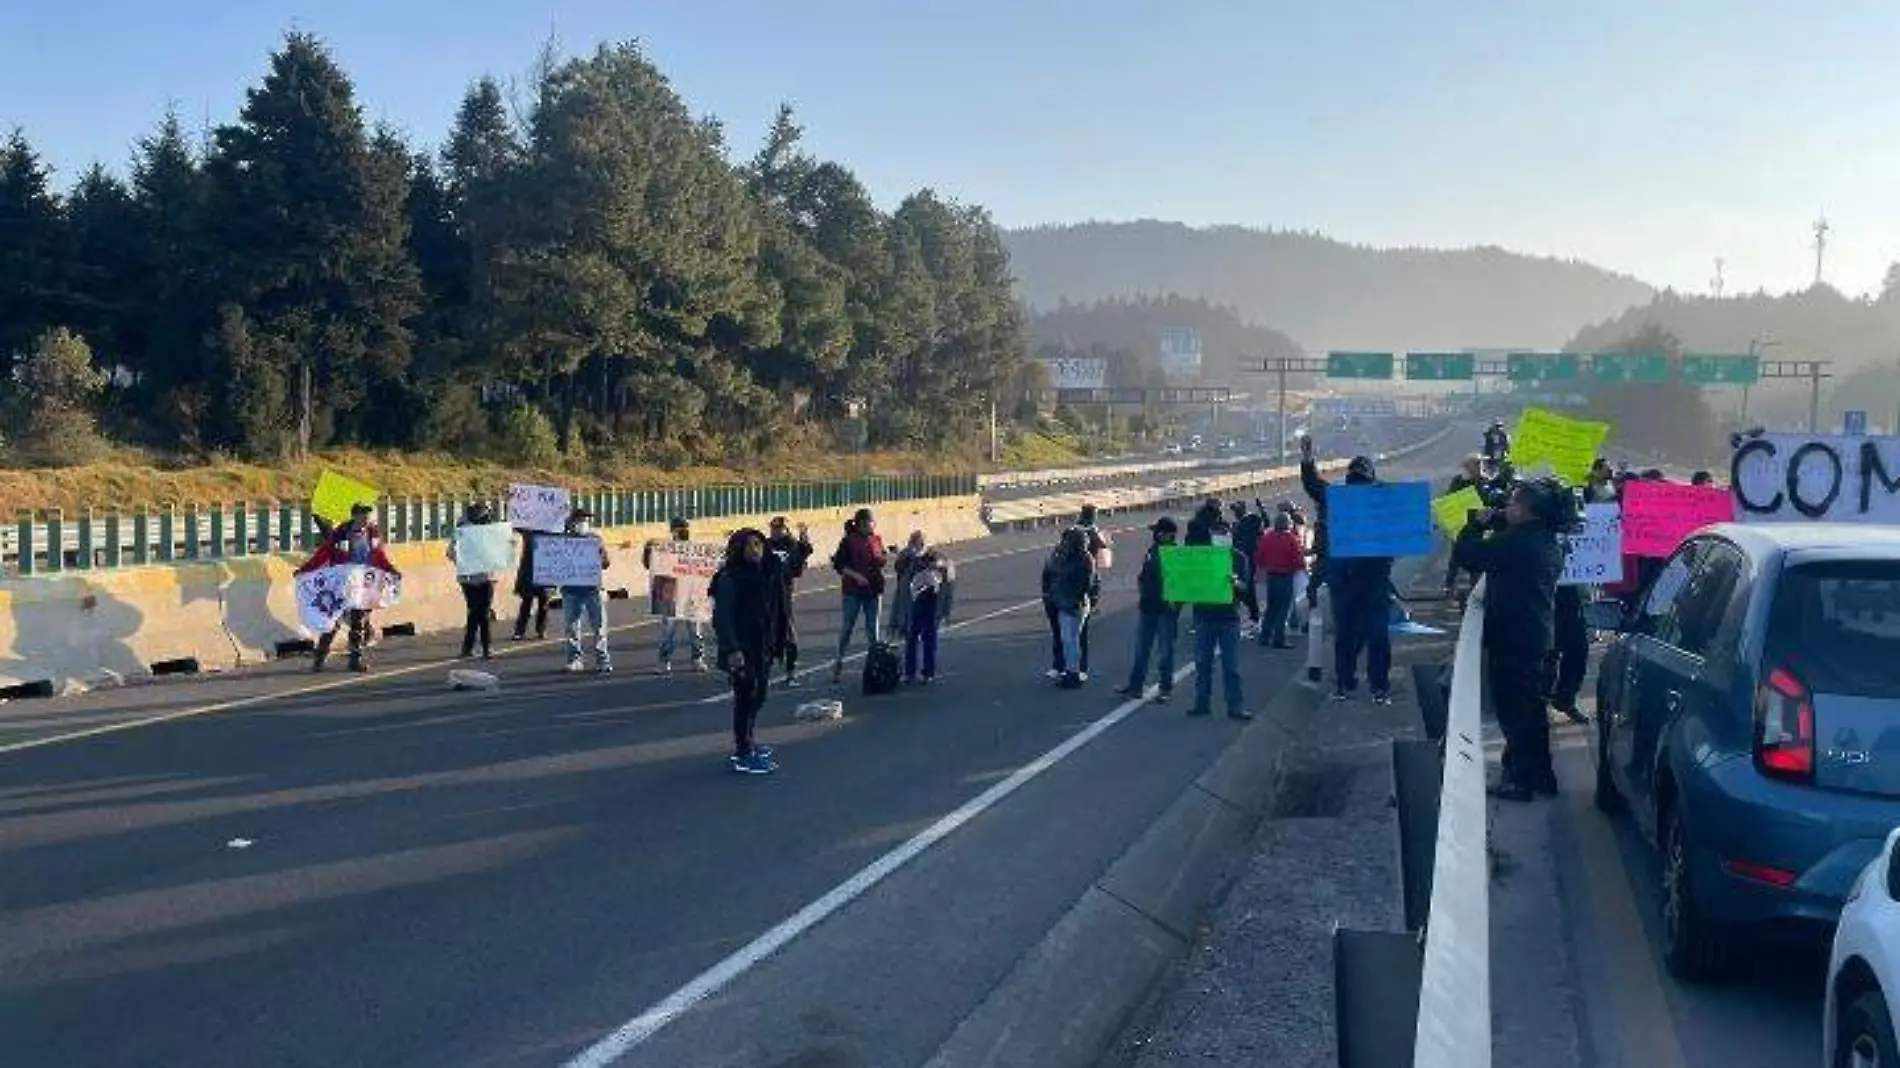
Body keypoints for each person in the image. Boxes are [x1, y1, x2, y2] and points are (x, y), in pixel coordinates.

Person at [1453, 477, 1573, 802]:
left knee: (1515, 713)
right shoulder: (1547, 540)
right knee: (1532, 711)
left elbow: (1469, 555)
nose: (1506, 508)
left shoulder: (1517, 543)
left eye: (1512, 503)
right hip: (1538, 635)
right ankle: (1541, 775)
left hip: (1513, 638)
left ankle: (1518, 780)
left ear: (1526, 510)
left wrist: (1474, 526)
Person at [1312, 447, 1393, 704]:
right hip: (1366, 582)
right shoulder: (1378, 498)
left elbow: (1314, 486)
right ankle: (1374, 687)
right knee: (1373, 637)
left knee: (1350, 638)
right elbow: (1314, 486)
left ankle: (1349, 684)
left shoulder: (1344, 497)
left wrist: (1306, 461)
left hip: (1353, 582)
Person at [711, 527, 791, 775]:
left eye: (758, 544)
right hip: (742, 647)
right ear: (738, 550)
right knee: (745, 697)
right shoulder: (729, 578)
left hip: (763, 644)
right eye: (749, 546)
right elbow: (722, 618)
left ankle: (749, 738)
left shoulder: (767, 572)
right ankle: (743, 751)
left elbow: (779, 604)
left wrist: (782, 639)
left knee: (760, 694)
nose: (755, 550)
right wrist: (732, 649)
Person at [303, 503, 400, 674]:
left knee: (359, 621)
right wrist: (305, 569)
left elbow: (379, 555)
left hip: (362, 582)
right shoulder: (341, 533)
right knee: (334, 621)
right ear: (355, 516)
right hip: (341, 583)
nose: (367, 521)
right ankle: (319, 658)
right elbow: (323, 553)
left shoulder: (373, 533)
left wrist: (391, 569)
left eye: (369, 517)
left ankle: (355, 659)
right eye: (364, 517)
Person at [1183, 519, 1251, 721]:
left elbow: (1246, 588)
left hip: (1229, 617)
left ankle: (1235, 706)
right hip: (1204, 616)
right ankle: (1201, 704)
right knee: (1203, 664)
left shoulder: (1239, 558)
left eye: (1224, 533)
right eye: (1216, 534)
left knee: (1231, 666)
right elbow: (1190, 581)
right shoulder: (1203, 556)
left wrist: (1235, 582)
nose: (1220, 537)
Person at [1116, 517, 1181, 702]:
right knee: (1141, 650)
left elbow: (1182, 584)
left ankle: (1165, 688)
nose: (1156, 534)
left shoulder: (1175, 554)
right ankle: (1136, 686)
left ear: (1167, 534)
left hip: (1165, 610)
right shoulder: (1153, 550)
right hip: (1148, 606)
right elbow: (1145, 575)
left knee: (1165, 651)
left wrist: (1175, 604)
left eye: (1159, 531)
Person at [831, 508, 887, 683]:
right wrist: (857, 576)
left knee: (873, 629)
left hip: (873, 589)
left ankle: (875, 665)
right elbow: (839, 565)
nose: (871, 525)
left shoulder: (877, 539)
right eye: (869, 522)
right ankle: (839, 663)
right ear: (861, 524)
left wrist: (885, 557)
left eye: (873, 522)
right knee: (847, 627)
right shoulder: (848, 541)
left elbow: (879, 559)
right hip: (853, 591)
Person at [645, 517, 706, 673]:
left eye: (685, 528)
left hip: (691, 594)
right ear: (672, 531)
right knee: (668, 632)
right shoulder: (664, 549)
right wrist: (648, 550)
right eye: (679, 529)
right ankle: (664, 661)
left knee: (695, 631)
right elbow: (649, 565)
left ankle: (697, 659)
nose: (683, 531)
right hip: (671, 593)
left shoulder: (695, 550)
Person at [560, 508, 614, 675]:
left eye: (586, 520)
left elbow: (606, 563)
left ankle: (603, 660)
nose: (584, 523)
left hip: (592, 589)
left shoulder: (595, 539)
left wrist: (599, 556)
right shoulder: (563, 541)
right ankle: (574, 660)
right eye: (581, 520)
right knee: (571, 627)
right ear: (572, 523)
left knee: (599, 627)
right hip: (571, 590)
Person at [1041, 527, 1096, 689]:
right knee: (1069, 640)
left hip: (1073, 604)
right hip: (1065, 603)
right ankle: (1071, 671)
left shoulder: (1082, 559)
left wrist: (1072, 599)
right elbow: (1051, 572)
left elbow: (1084, 584)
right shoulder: (1068, 556)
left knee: (1071, 640)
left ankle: (1073, 673)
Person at [446, 501, 500, 660]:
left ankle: (474, 648)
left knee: (478, 613)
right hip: (474, 578)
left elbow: (450, 553)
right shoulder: (465, 530)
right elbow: (450, 552)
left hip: (480, 578)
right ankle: (482, 648)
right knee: (478, 613)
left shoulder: (488, 530)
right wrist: (464, 562)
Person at [764, 516, 813, 686]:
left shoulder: (791, 545)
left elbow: (804, 551)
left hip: (783, 597)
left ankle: (790, 673)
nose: (776, 531)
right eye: (774, 528)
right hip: (765, 598)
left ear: (786, 530)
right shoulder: (765, 545)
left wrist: (804, 534)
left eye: (780, 528)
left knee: (789, 636)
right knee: (765, 636)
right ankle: (762, 672)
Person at [1254, 512, 1306, 648]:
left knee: (1271, 608)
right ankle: (1279, 638)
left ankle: (1264, 636)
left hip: (1271, 575)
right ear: (1287, 524)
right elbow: (1298, 560)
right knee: (1284, 609)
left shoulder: (1267, 537)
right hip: (1285, 576)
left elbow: (1259, 557)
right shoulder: (1290, 538)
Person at [904, 548, 950, 684]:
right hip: (920, 606)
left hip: (930, 607)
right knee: (915, 639)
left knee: (927, 640)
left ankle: (925, 672)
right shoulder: (919, 569)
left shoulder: (941, 572)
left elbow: (944, 591)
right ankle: (913, 672)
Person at [511, 529, 552, 642]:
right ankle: (519, 631)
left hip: (545, 570)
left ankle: (541, 629)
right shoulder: (527, 531)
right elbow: (515, 526)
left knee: (544, 602)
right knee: (526, 602)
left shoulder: (550, 529)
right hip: (529, 570)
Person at [1230, 502, 1265, 632]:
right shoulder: (1236, 525)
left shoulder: (1252, 520)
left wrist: (1261, 509)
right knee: (1241, 587)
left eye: (1237, 510)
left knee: (1248, 588)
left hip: (1249, 559)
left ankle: (1254, 615)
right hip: (1238, 559)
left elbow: (1264, 524)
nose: (1235, 513)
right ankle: (1251, 613)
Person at [888, 530, 929, 643]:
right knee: (905, 611)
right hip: (906, 586)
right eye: (921, 542)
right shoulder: (908, 553)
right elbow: (899, 567)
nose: (923, 544)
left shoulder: (920, 553)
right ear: (915, 541)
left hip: (916, 586)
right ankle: (904, 632)